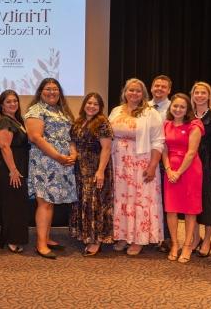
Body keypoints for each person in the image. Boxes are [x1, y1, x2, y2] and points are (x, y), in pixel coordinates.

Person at [109, 78, 164, 256]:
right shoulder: (116, 111)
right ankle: (124, 236)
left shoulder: (150, 113)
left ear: (143, 94)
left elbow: (158, 141)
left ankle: (138, 239)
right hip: (119, 164)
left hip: (141, 163)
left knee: (139, 200)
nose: (134, 93)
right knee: (122, 199)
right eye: (130, 90)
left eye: (138, 91)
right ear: (125, 92)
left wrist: (153, 165)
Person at [25, 78, 77, 259]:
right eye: (48, 89)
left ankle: (46, 238)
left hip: (62, 163)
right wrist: (58, 157)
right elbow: (36, 138)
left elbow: (69, 137)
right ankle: (40, 244)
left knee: (50, 201)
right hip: (45, 162)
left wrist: (73, 153)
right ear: (40, 91)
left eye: (55, 89)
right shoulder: (36, 110)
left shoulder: (61, 111)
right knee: (44, 202)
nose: (52, 92)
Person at [68, 92, 114, 257]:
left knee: (95, 204)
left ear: (100, 107)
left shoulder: (102, 123)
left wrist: (100, 171)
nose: (92, 106)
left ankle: (96, 240)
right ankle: (86, 234)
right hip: (80, 170)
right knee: (84, 203)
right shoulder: (79, 121)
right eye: (89, 103)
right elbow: (72, 141)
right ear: (84, 105)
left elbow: (107, 148)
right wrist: (73, 154)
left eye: (95, 104)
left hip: (96, 169)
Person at [162, 93, 204, 263]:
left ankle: (187, 245)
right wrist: (168, 169)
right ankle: (174, 244)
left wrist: (178, 173)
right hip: (170, 169)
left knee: (189, 209)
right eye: (175, 106)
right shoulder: (165, 125)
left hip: (189, 170)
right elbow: (163, 149)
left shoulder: (195, 125)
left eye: (182, 107)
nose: (178, 109)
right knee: (171, 209)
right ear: (170, 107)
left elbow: (192, 152)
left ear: (187, 110)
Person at [0, 90, 30, 253]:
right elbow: (4, 146)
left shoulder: (16, 120)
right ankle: (10, 239)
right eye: (8, 101)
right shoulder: (4, 122)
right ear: (2, 105)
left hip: (18, 166)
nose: (13, 104)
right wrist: (13, 170)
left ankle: (14, 237)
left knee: (18, 204)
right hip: (9, 169)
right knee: (12, 204)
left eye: (15, 101)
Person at [190, 81, 211, 257]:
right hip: (190, 160)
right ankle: (195, 237)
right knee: (191, 201)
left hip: (209, 162)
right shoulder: (188, 113)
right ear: (192, 95)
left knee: (209, 201)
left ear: (209, 95)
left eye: (204, 92)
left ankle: (207, 240)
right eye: (197, 92)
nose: (200, 95)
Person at [148, 74, 172, 252]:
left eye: (163, 87)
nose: (159, 89)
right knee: (149, 199)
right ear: (151, 88)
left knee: (166, 200)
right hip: (143, 158)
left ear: (169, 90)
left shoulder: (175, 108)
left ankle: (167, 237)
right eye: (157, 86)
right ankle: (151, 232)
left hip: (167, 159)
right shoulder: (144, 107)